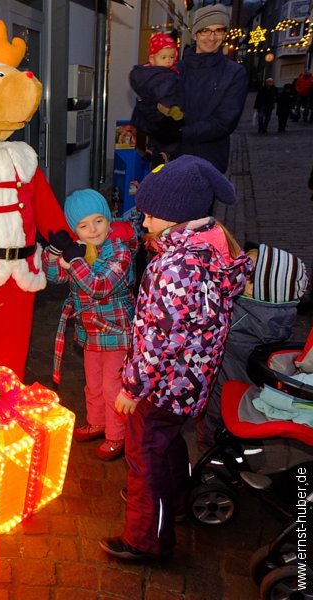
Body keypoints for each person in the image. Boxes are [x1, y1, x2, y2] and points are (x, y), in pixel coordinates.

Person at [99, 155, 252, 561]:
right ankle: (176, 501)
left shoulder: (177, 265)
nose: (144, 222)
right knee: (165, 445)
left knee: (144, 455)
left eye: (150, 215)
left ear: (176, 214)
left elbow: (160, 338)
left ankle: (146, 538)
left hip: (165, 384)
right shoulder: (208, 247)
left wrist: (133, 386)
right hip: (190, 381)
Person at [45, 190, 136, 461]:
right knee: (93, 382)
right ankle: (97, 422)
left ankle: (116, 434)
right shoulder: (78, 250)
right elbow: (55, 277)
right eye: (83, 225)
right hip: (89, 332)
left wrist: (74, 260)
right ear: (75, 231)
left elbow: (99, 286)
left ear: (109, 221)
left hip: (117, 332)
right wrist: (54, 252)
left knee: (113, 387)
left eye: (98, 221)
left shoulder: (119, 251)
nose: (93, 229)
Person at [197, 243, 309, 452]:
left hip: (223, 392)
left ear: (252, 287)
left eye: (243, 268)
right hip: (251, 389)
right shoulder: (281, 315)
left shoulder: (238, 317)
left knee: (215, 425)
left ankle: (212, 454)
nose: (235, 267)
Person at [174, 5, 248, 173]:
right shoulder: (176, 69)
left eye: (218, 31)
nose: (212, 37)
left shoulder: (234, 73)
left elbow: (224, 122)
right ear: (195, 34)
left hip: (208, 162)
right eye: (205, 30)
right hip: (173, 158)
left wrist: (179, 133)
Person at [129, 32, 184, 167]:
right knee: (170, 142)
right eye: (163, 57)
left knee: (154, 140)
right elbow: (165, 95)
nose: (168, 61)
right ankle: (161, 154)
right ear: (152, 59)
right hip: (163, 118)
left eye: (171, 57)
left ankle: (151, 151)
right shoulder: (163, 76)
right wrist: (174, 108)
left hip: (145, 122)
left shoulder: (143, 73)